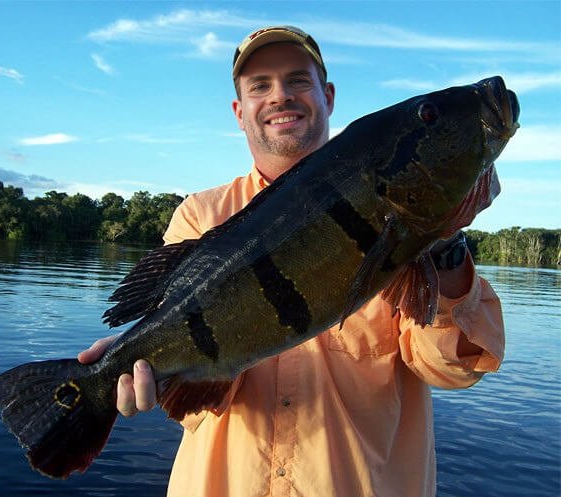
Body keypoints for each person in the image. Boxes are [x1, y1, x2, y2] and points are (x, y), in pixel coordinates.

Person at [79, 26, 505, 497]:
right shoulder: (200, 216)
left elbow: (453, 369)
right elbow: (197, 404)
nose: (280, 96)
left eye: (298, 81)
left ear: (327, 97)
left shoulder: (404, 227)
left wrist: (442, 243)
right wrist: (145, 370)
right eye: (259, 85)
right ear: (240, 113)